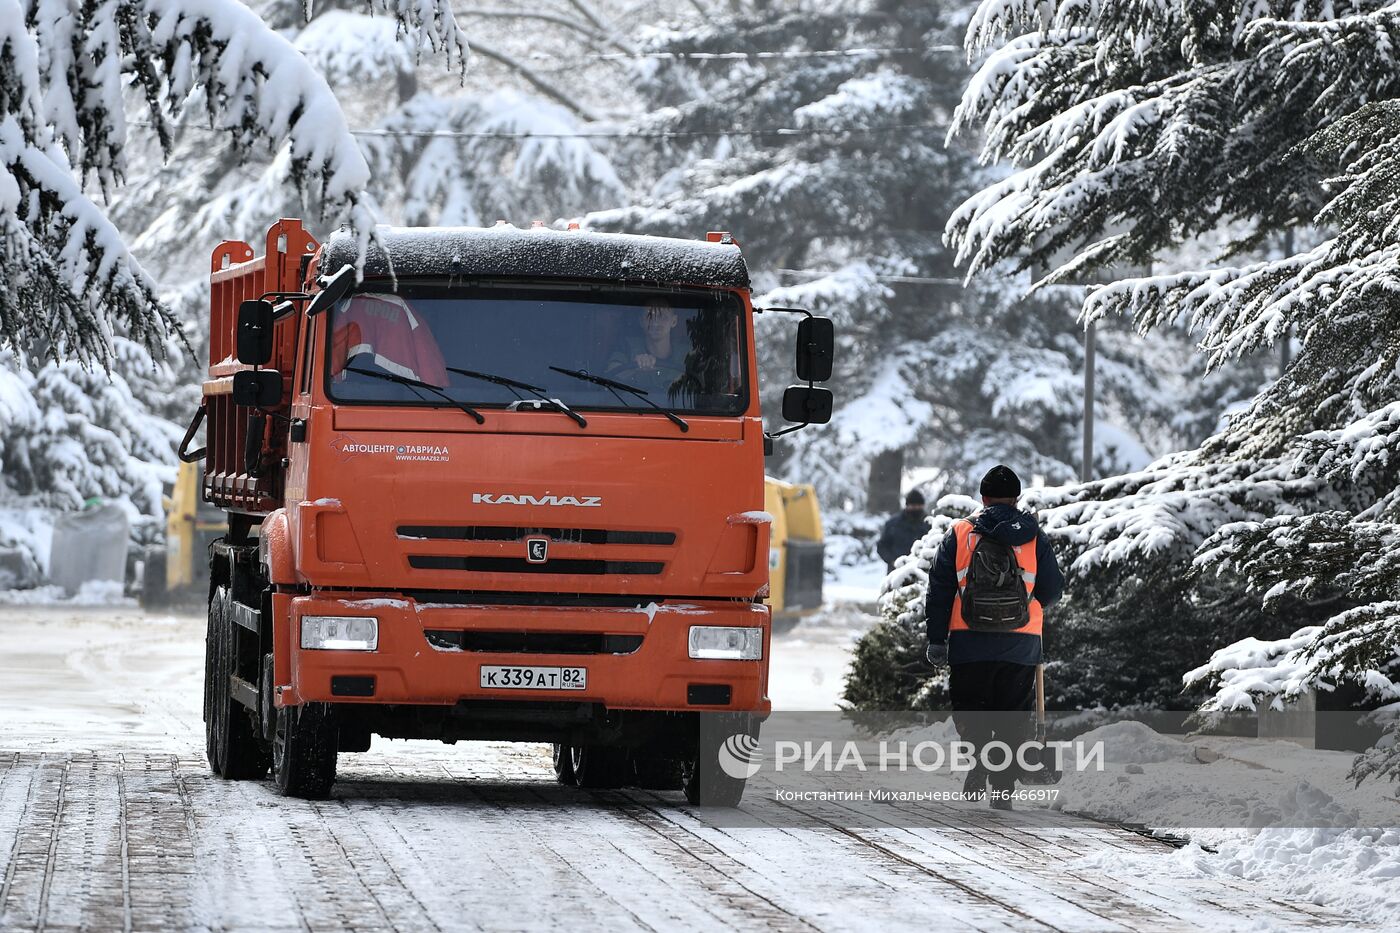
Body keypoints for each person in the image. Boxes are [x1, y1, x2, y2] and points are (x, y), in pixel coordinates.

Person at [923, 465, 1064, 810]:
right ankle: (1002, 788)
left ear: (983, 498)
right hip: (1021, 643)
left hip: (968, 642)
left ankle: (978, 762)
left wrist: (937, 639)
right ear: (1017, 499)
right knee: (1013, 715)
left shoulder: (960, 533)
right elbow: (1054, 590)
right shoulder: (1033, 536)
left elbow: (939, 590)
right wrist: (1028, 605)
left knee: (971, 710)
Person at [606, 299, 686, 387]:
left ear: (674, 321)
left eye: (662, 317)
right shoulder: (627, 346)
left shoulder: (687, 354)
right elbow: (611, 374)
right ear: (641, 321)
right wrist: (635, 367)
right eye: (649, 316)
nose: (655, 323)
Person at [876, 490, 928, 572]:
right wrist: (892, 561)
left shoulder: (929, 523)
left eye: (919, 506)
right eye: (913, 505)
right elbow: (882, 546)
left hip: (923, 572)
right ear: (907, 506)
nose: (916, 508)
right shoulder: (893, 524)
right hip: (897, 573)